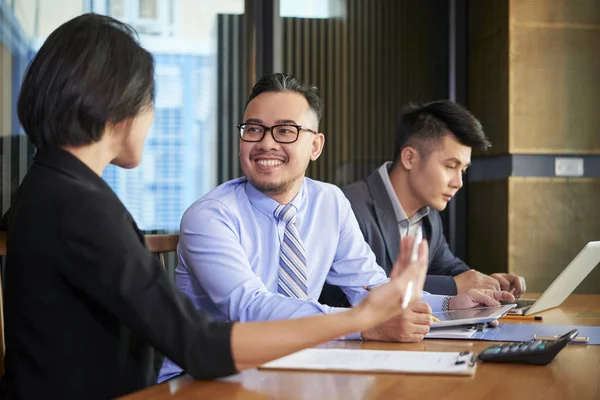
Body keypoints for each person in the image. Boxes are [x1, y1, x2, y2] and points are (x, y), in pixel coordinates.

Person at [0, 14, 436, 400]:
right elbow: (199, 344)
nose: (152, 118)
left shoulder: (47, 188)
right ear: (117, 106)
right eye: (149, 100)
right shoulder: (81, 206)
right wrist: (359, 318)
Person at [158, 73, 514, 381]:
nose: (266, 143)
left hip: (297, 365)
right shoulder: (208, 216)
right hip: (207, 377)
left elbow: (371, 288)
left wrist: (451, 306)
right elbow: (250, 308)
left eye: (285, 131)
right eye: (253, 130)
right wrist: (363, 323)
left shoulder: (329, 202)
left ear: (315, 145)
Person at [328, 100, 526, 299]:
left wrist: (484, 282)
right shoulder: (348, 207)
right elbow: (360, 287)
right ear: (409, 158)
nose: (459, 182)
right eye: (450, 166)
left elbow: (447, 267)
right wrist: (453, 286)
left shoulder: (428, 214)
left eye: (463, 171)